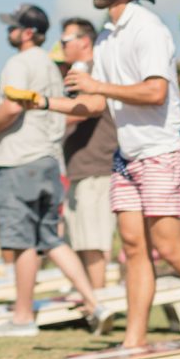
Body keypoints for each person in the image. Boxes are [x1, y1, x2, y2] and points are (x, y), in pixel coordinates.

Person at [31, 0, 180, 348]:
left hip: (162, 150)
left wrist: (97, 85)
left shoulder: (148, 28)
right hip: (127, 155)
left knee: (170, 248)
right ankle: (134, 339)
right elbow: (95, 103)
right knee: (132, 247)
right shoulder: (106, 38)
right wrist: (42, 104)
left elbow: (155, 92)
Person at [0, 3, 111, 337]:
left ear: (28, 32)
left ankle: (22, 318)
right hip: (48, 160)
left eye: (13, 27)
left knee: (22, 242)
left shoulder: (19, 62)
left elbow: (12, 106)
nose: (8, 32)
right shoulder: (49, 65)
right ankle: (95, 302)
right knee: (50, 238)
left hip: (20, 160)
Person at [59, 17, 118, 289]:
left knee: (93, 243)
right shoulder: (79, 73)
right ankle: (91, 302)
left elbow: (85, 110)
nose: (60, 46)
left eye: (65, 40)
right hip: (82, 168)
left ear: (84, 41)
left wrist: (43, 111)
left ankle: (98, 303)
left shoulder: (93, 73)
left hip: (97, 167)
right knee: (81, 240)